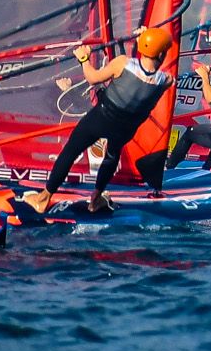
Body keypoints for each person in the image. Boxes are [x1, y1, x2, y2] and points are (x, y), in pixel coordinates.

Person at [26, 25, 175, 214]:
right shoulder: (165, 81)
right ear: (161, 54)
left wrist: (84, 59)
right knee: (112, 156)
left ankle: (44, 198)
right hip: (125, 129)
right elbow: (146, 71)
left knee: (71, 150)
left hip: (101, 118)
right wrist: (145, 41)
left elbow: (92, 78)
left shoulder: (122, 63)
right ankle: (95, 200)